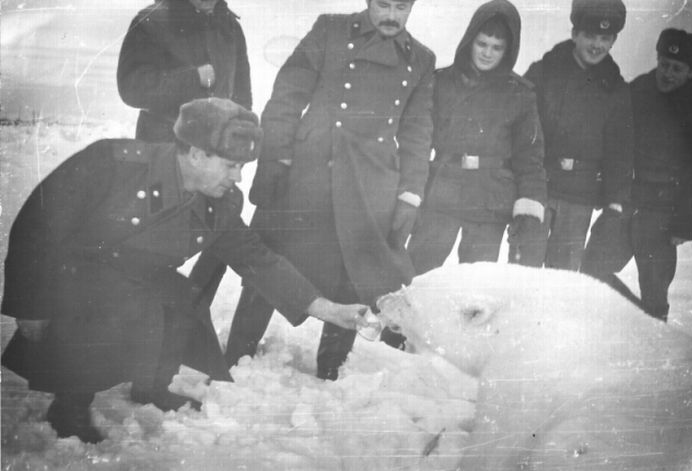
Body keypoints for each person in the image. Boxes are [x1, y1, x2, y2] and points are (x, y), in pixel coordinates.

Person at [1, 98, 370, 444]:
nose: (237, 177)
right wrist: (30, 305)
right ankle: (69, 406)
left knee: (183, 298)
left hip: (134, 277)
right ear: (196, 153)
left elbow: (257, 258)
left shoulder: (219, 202)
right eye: (230, 165)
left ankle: (151, 385)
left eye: (242, 167)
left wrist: (329, 309)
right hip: (74, 279)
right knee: (116, 306)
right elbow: (38, 225)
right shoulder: (112, 163)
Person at [190, 0, 435, 380]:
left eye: (401, 7)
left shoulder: (420, 59)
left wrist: (410, 193)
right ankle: (237, 355)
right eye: (383, 4)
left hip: (372, 184)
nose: (391, 15)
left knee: (353, 273)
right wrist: (276, 160)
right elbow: (287, 95)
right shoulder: (331, 31)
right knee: (272, 256)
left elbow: (418, 132)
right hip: (310, 171)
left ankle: (331, 370)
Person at [407, 0, 546, 274]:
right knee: (416, 275)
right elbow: (416, 138)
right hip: (441, 195)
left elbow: (530, 158)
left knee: (475, 285)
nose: (487, 53)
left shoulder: (520, 94)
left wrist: (529, 203)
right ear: (469, 41)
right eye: (482, 44)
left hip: (489, 202)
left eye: (497, 48)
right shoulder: (441, 82)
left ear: (508, 51)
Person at [581, 28, 692, 321]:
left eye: (677, 68)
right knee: (590, 272)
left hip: (664, 214)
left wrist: (686, 223)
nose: (667, 74)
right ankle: (637, 322)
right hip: (627, 201)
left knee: (655, 293)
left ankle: (651, 329)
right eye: (663, 64)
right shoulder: (638, 91)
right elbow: (612, 142)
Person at [524, 0, 633, 271]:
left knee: (563, 281)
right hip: (539, 187)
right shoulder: (543, 72)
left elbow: (620, 151)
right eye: (589, 35)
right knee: (522, 273)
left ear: (613, 40)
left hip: (580, 196)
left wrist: (615, 200)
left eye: (604, 38)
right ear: (575, 34)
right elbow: (519, 129)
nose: (596, 44)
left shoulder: (616, 89)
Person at [117, 0, 251, 142]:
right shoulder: (151, 21)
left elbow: (242, 94)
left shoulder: (230, 26)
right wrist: (194, 79)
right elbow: (132, 88)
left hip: (213, 153)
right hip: (164, 151)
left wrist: (238, 138)